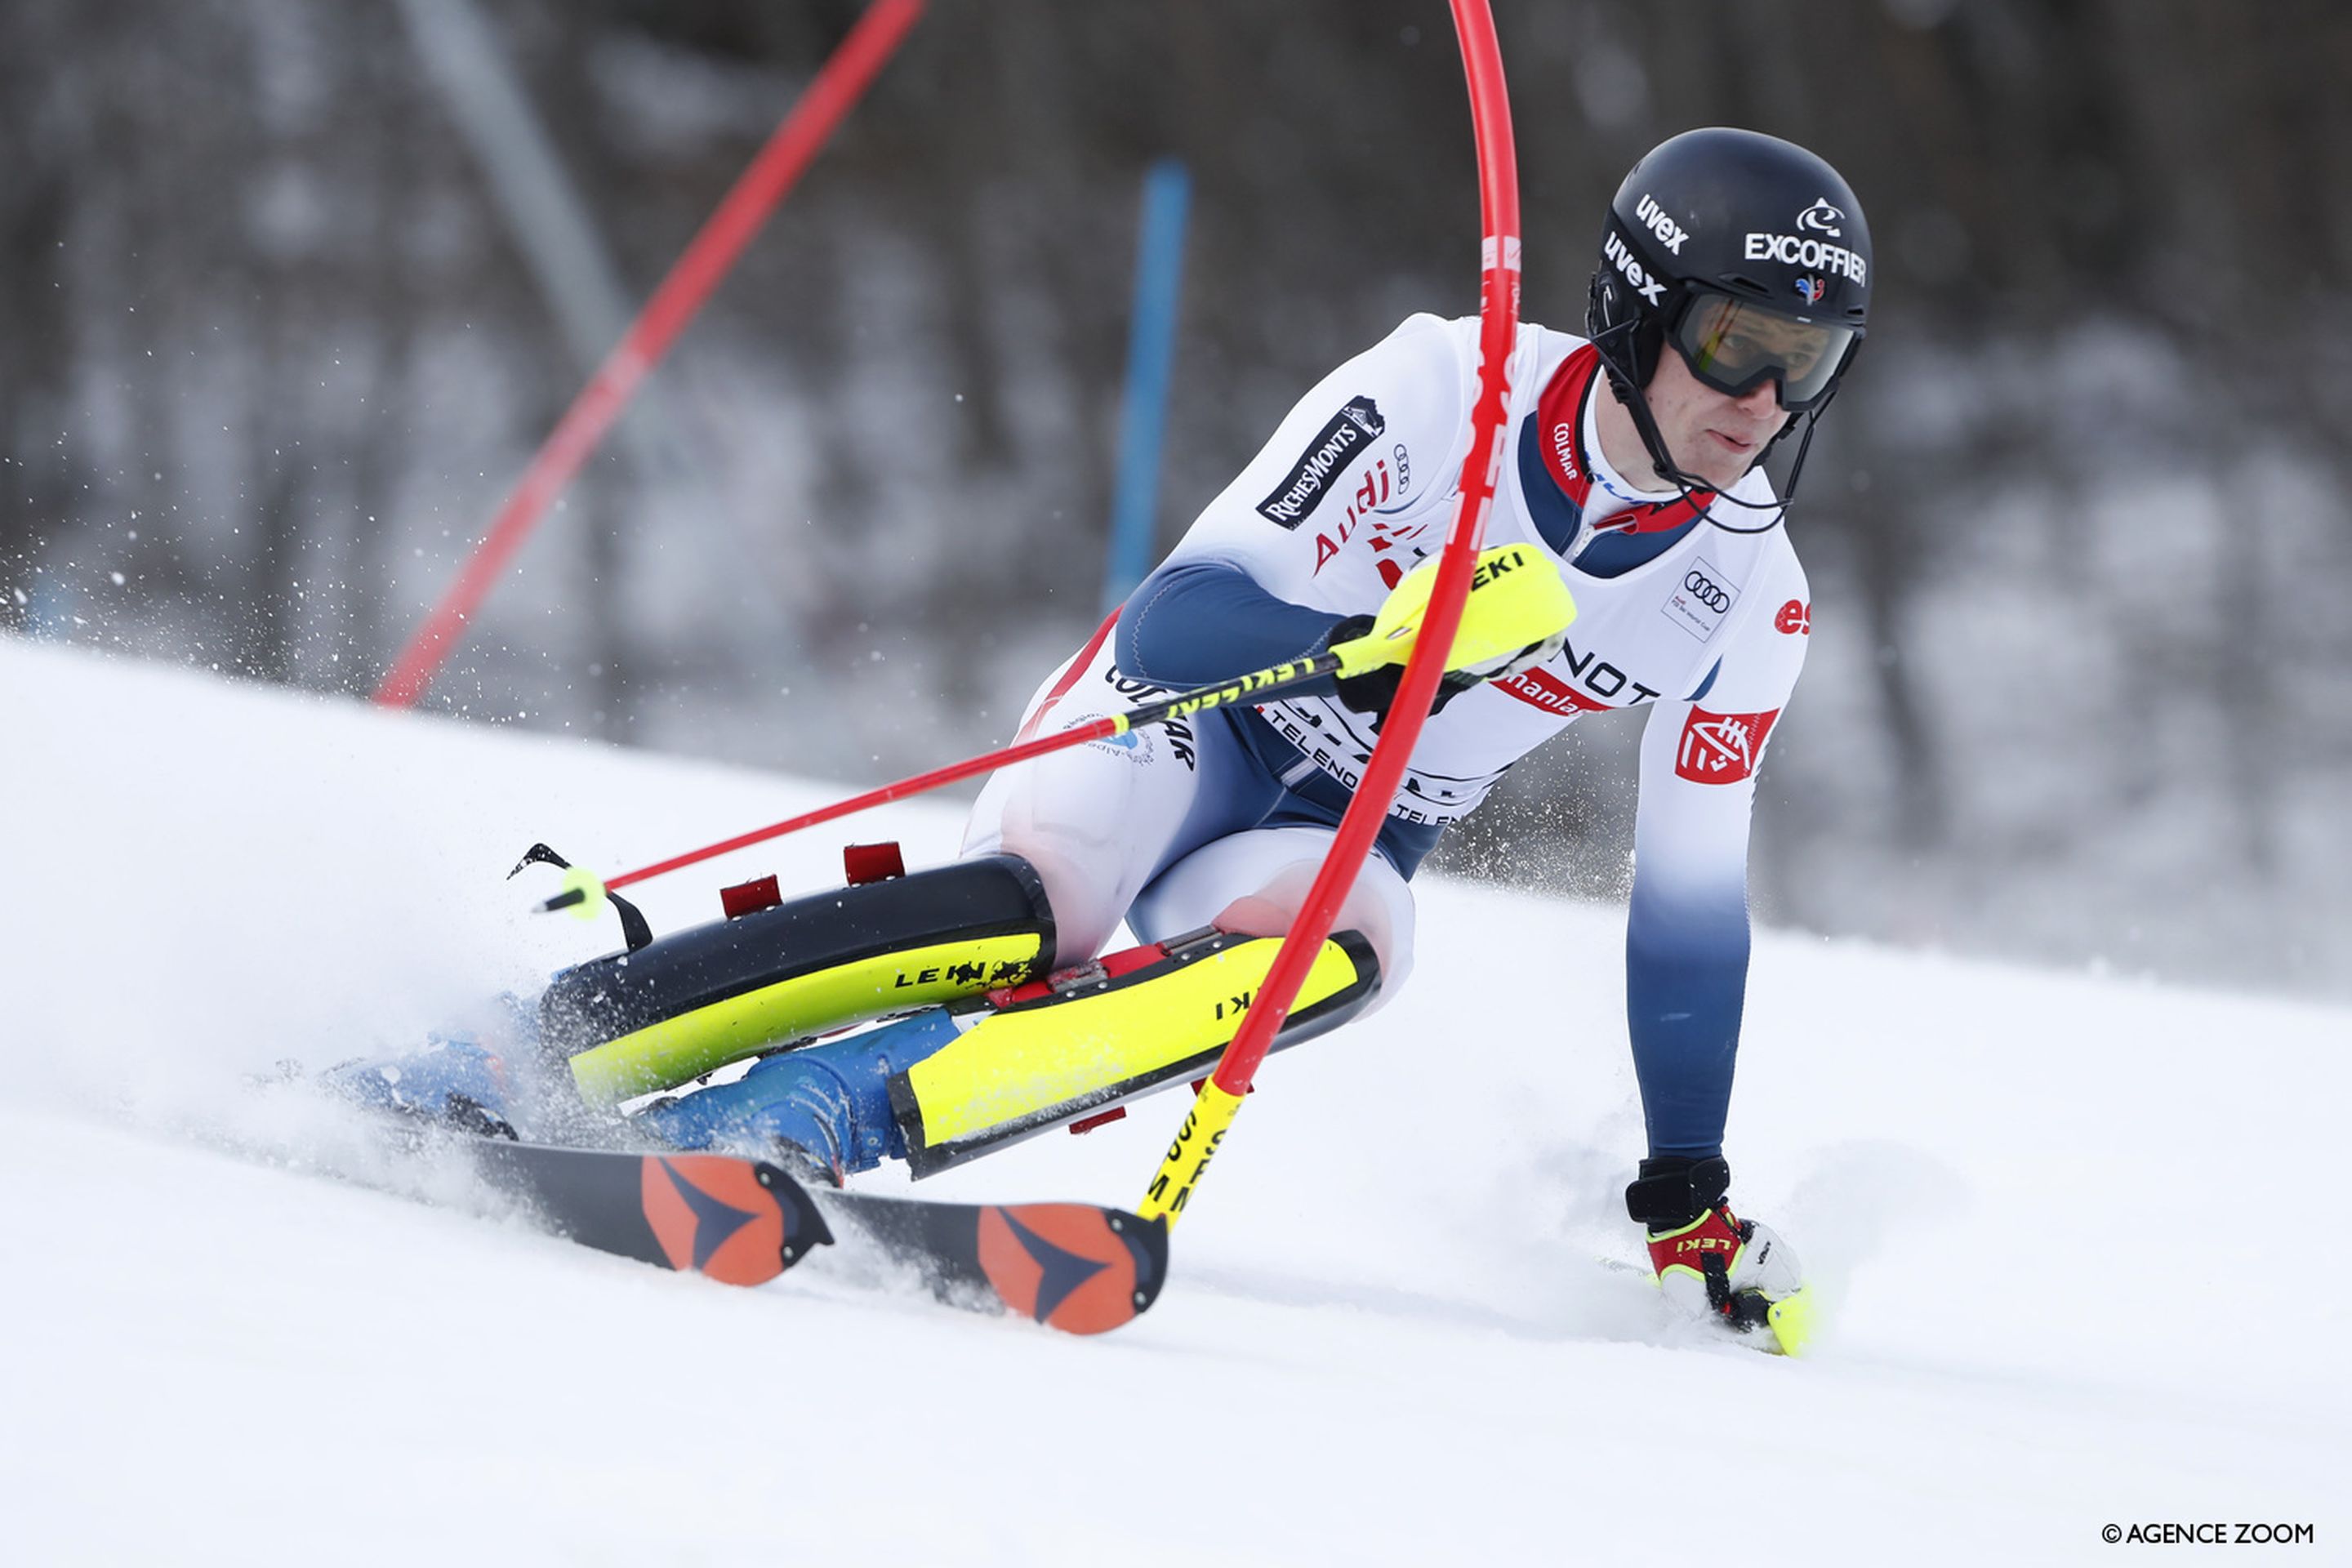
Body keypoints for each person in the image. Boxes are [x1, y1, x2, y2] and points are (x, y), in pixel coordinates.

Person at [342, 127, 1869, 1352]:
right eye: (1738, 342)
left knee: (1344, 955)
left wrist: (1686, 1190)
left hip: (1334, 830)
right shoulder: (1436, 389)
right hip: (1180, 727)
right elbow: (1183, 619)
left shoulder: (1753, 601)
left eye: (1808, 362)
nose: (1761, 400)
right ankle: (533, 1042)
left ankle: (793, 1124)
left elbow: (1687, 910)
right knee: (1048, 912)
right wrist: (1379, 641)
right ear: (1638, 306)